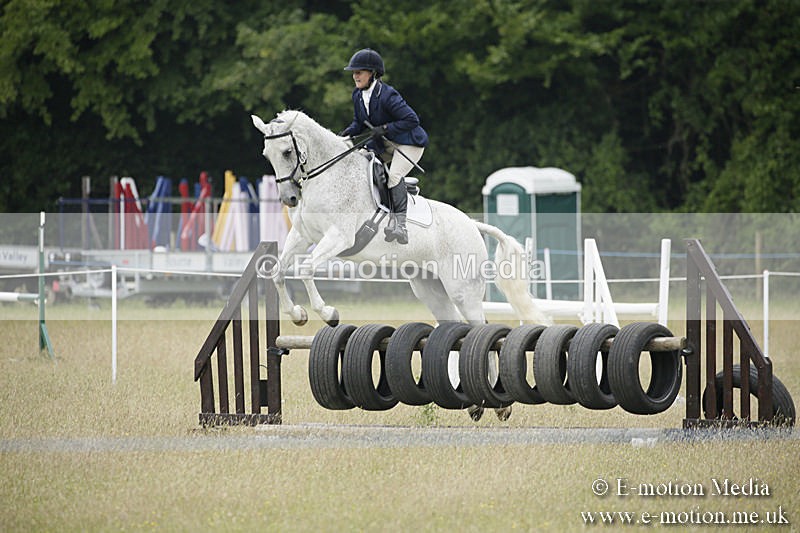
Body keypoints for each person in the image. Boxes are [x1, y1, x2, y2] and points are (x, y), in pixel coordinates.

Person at [341, 48, 428, 245]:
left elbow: (412, 119)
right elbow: (358, 123)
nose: (355, 76)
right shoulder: (357, 95)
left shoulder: (388, 95)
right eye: (354, 72)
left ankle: (400, 225)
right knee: (360, 161)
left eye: (359, 72)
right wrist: (343, 136)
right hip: (385, 143)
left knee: (394, 176)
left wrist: (386, 128)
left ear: (372, 73)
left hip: (409, 143)